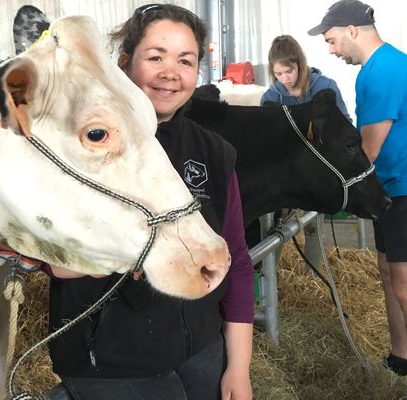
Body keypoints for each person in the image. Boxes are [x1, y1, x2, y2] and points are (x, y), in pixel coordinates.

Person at [45, 4, 254, 400]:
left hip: (203, 349)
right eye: (155, 57)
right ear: (124, 64)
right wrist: (121, 256)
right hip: (109, 360)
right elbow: (52, 258)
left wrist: (239, 368)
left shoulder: (214, 151)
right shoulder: (84, 143)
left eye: (185, 60)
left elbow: (237, 259)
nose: (170, 72)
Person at [309, 1, 407, 399]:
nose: (332, 50)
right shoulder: (381, 67)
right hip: (394, 188)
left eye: (332, 40)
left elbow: (367, 150)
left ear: (352, 30)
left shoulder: (385, 71)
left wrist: (323, 188)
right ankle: (401, 358)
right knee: (390, 273)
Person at [260, 34, 352, 270]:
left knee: (312, 223)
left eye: (288, 72)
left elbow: (344, 125)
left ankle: (312, 274)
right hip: (287, 173)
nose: (284, 79)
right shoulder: (271, 97)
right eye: (278, 74)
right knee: (278, 225)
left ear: (300, 64)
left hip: (318, 169)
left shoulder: (325, 88)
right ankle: (270, 275)